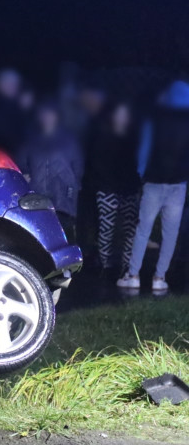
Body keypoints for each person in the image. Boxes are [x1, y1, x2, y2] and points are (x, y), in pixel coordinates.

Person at [118, 80, 189, 291]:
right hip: (178, 184)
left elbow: (145, 149)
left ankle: (133, 274)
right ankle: (160, 278)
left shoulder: (155, 118)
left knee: (143, 230)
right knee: (171, 234)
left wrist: (142, 174)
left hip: (154, 182)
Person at [85, 100, 141, 276]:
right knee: (106, 228)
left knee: (130, 228)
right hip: (107, 189)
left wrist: (134, 184)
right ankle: (104, 263)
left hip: (129, 189)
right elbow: (97, 163)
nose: (122, 118)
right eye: (119, 114)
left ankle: (126, 264)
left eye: (125, 115)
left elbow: (136, 163)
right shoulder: (103, 136)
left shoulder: (133, 138)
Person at [15, 99, 84, 238]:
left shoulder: (68, 140)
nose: (47, 117)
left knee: (64, 233)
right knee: (41, 233)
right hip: (39, 194)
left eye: (50, 114)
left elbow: (78, 166)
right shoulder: (32, 140)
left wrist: (73, 185)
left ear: (57, 116)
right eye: (44, 114)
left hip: (63, 198)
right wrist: (25, 174)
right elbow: (21, 161)